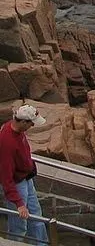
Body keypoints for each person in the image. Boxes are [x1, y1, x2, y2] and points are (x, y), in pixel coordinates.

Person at [0, 105, 48, 245]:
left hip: (26, 178)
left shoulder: (16, 129)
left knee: (36, 216)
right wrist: (19, 203)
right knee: (19, 224)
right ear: (23, 122)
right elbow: (6, 177)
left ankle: (41, 244)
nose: (32, 126)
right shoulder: (6, 142)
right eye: (31, 123)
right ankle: (14, 243)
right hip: (17, 183)